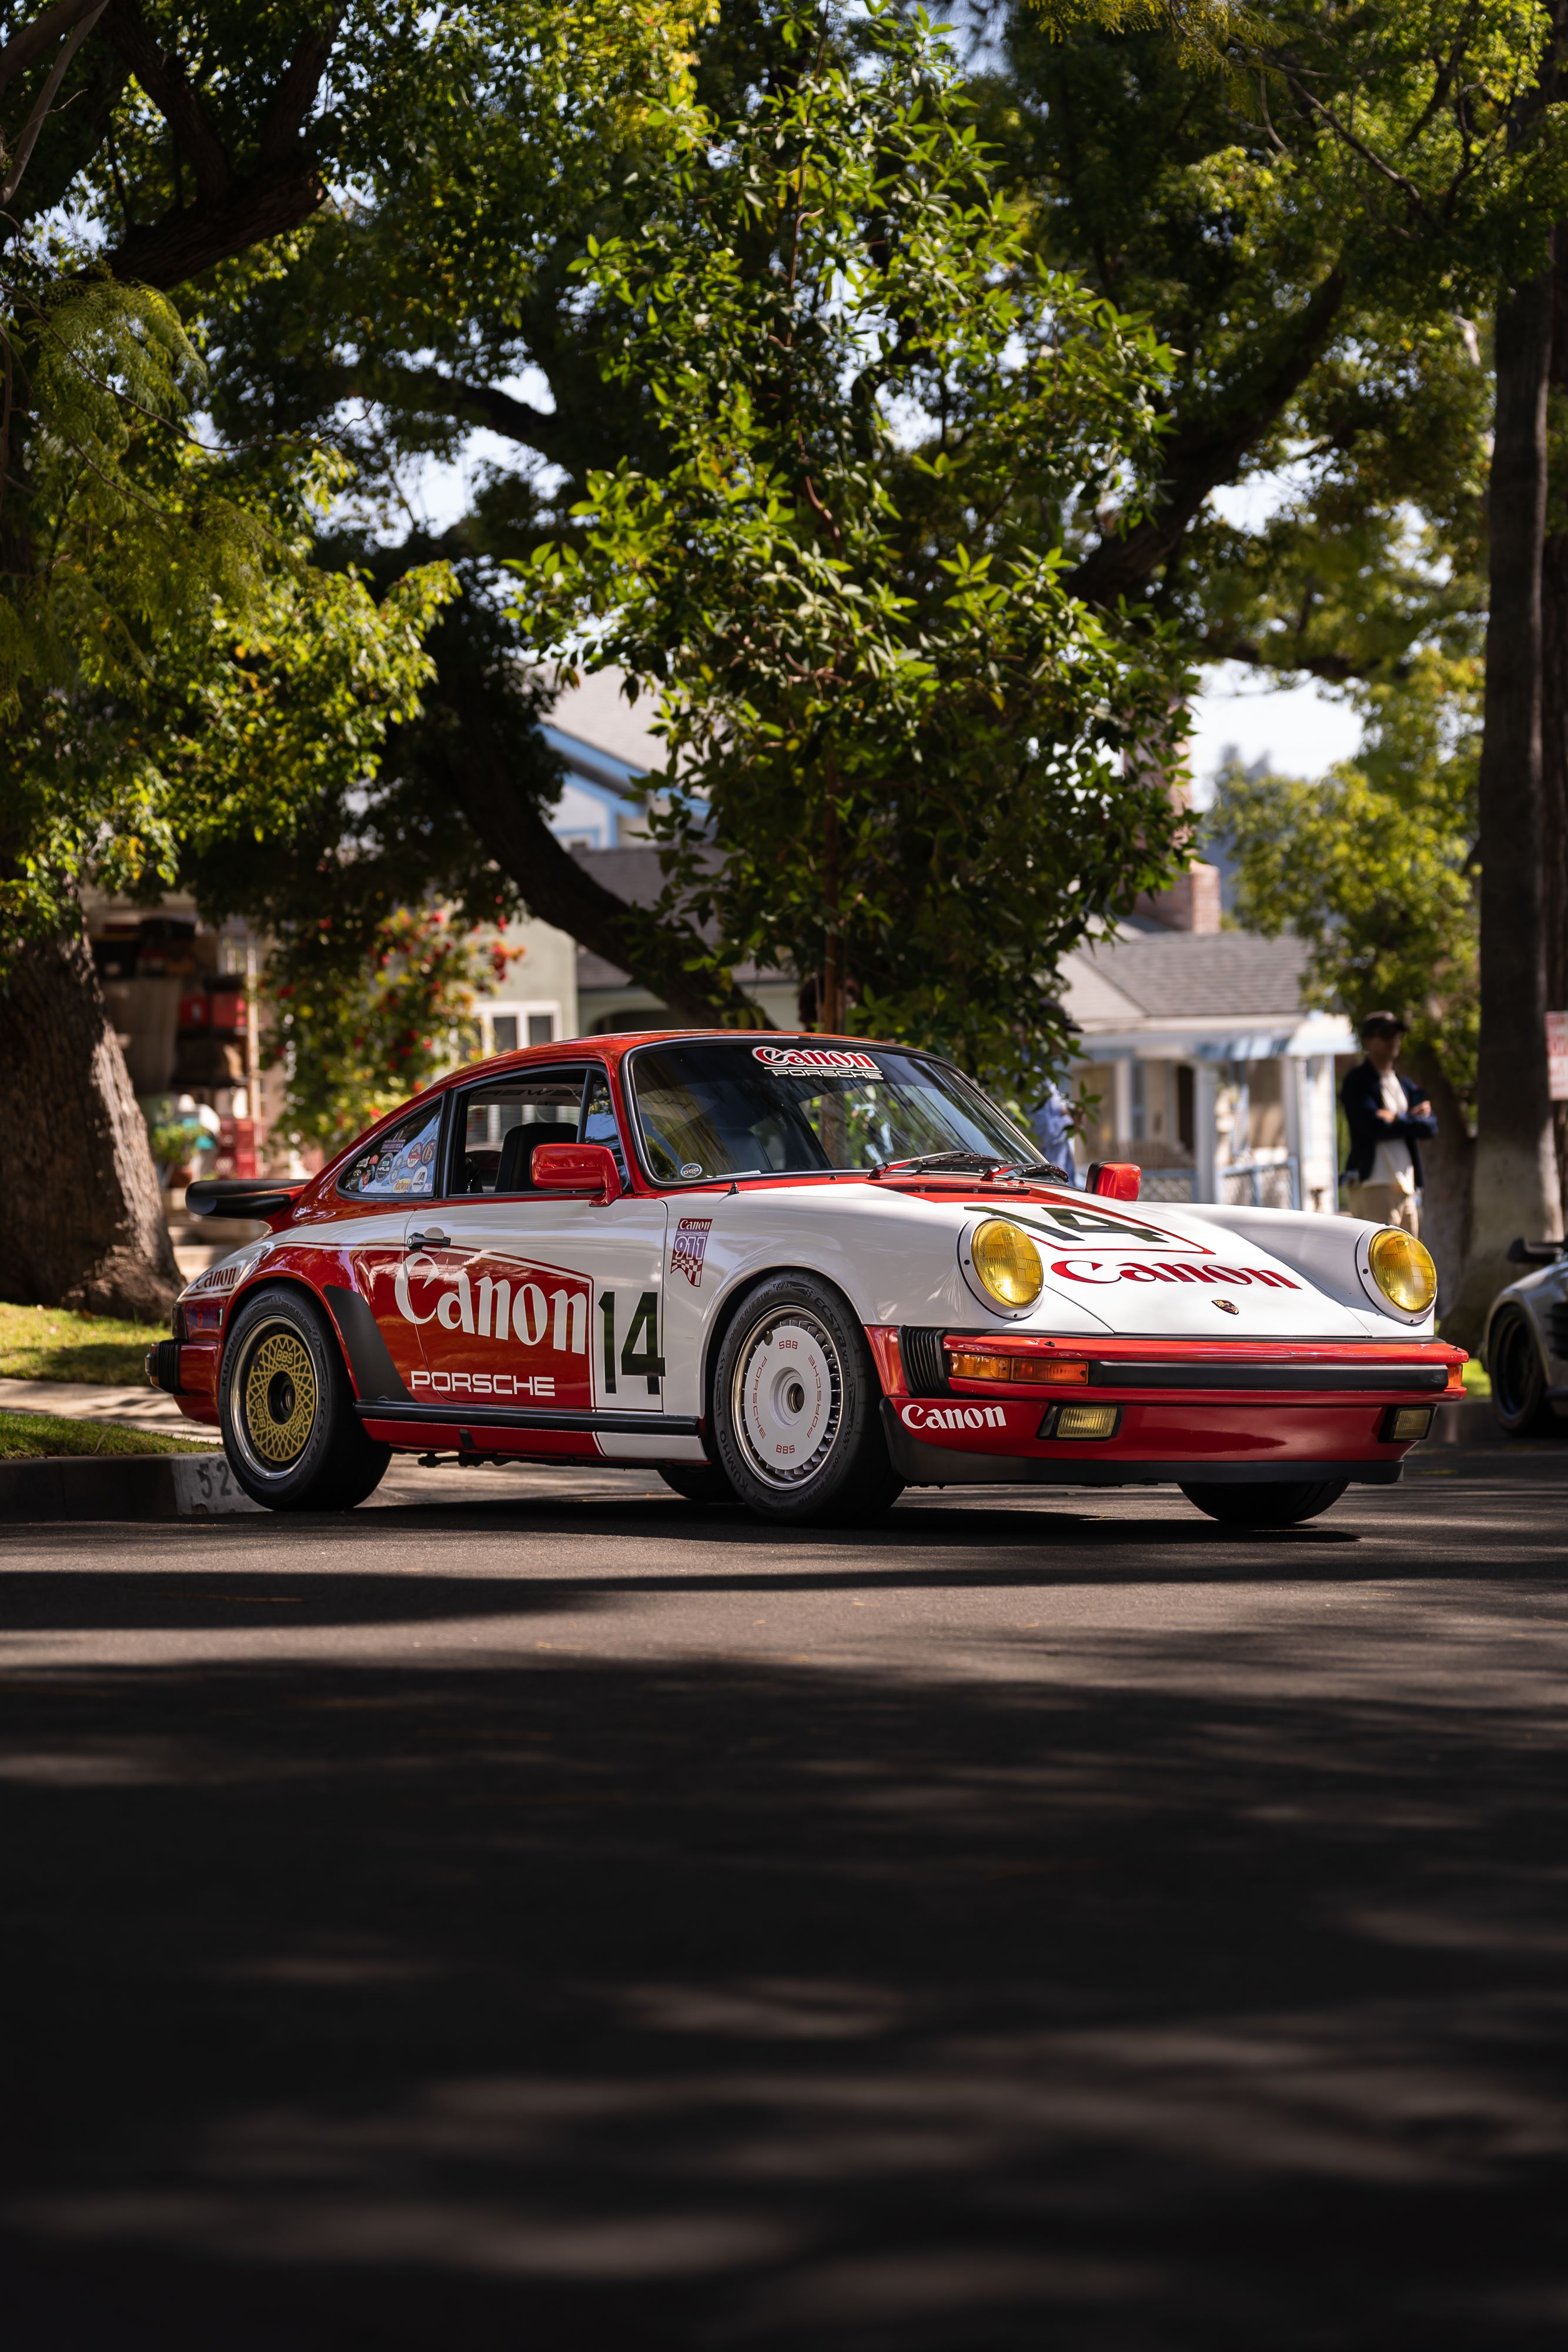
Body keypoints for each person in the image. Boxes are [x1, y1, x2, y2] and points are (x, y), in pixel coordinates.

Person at [1340, 1012, 1436, 1234]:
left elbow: (1430, 1126)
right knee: (1381, 1263)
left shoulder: (1404, 1084)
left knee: (1409, 1263)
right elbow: (1371, 1125)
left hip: (1407, 1186)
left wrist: (1396, 1117)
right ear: (1368, 1041)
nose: (1394, 1040)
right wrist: (1412, 1119)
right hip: (1374, 1184)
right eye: (1386, 1034)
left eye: (1397, 1034)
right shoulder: (1358, 1081)